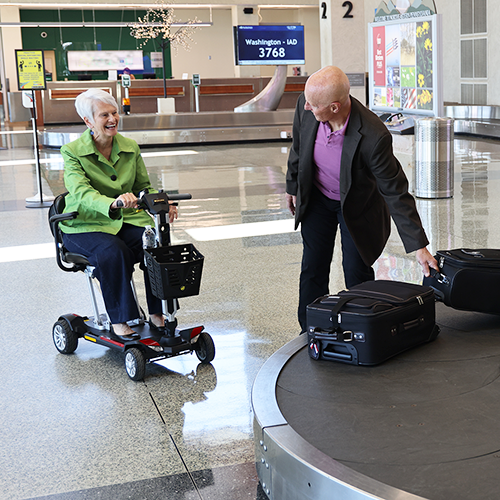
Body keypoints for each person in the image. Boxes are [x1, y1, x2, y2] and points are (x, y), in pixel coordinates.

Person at [285, 66, 439, 331]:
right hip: (318, 198)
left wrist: (419, 246)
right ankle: (309, 329)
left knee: (356, 271)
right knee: (313, 266)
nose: (307, 107)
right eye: (307, 101)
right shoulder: (306, 103)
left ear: (334, 107)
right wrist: (292, 186)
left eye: (313, 105)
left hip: (357, 207)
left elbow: (395, 191)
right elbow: (298, 147)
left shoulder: (373, 134)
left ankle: (362, 329)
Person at [60, 88, 177, 340]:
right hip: (84, 225)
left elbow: (143, 186)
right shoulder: (71, 151)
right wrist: (112, 203)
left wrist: (162, 202)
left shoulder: (129, 147)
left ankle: (158, 312)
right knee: (113, 252)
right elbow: (80, 192)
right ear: (88, 121)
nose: (112, 119)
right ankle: (120, 318)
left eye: (114, 113)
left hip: (125, 220)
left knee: (155, 245)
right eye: (104, 115)